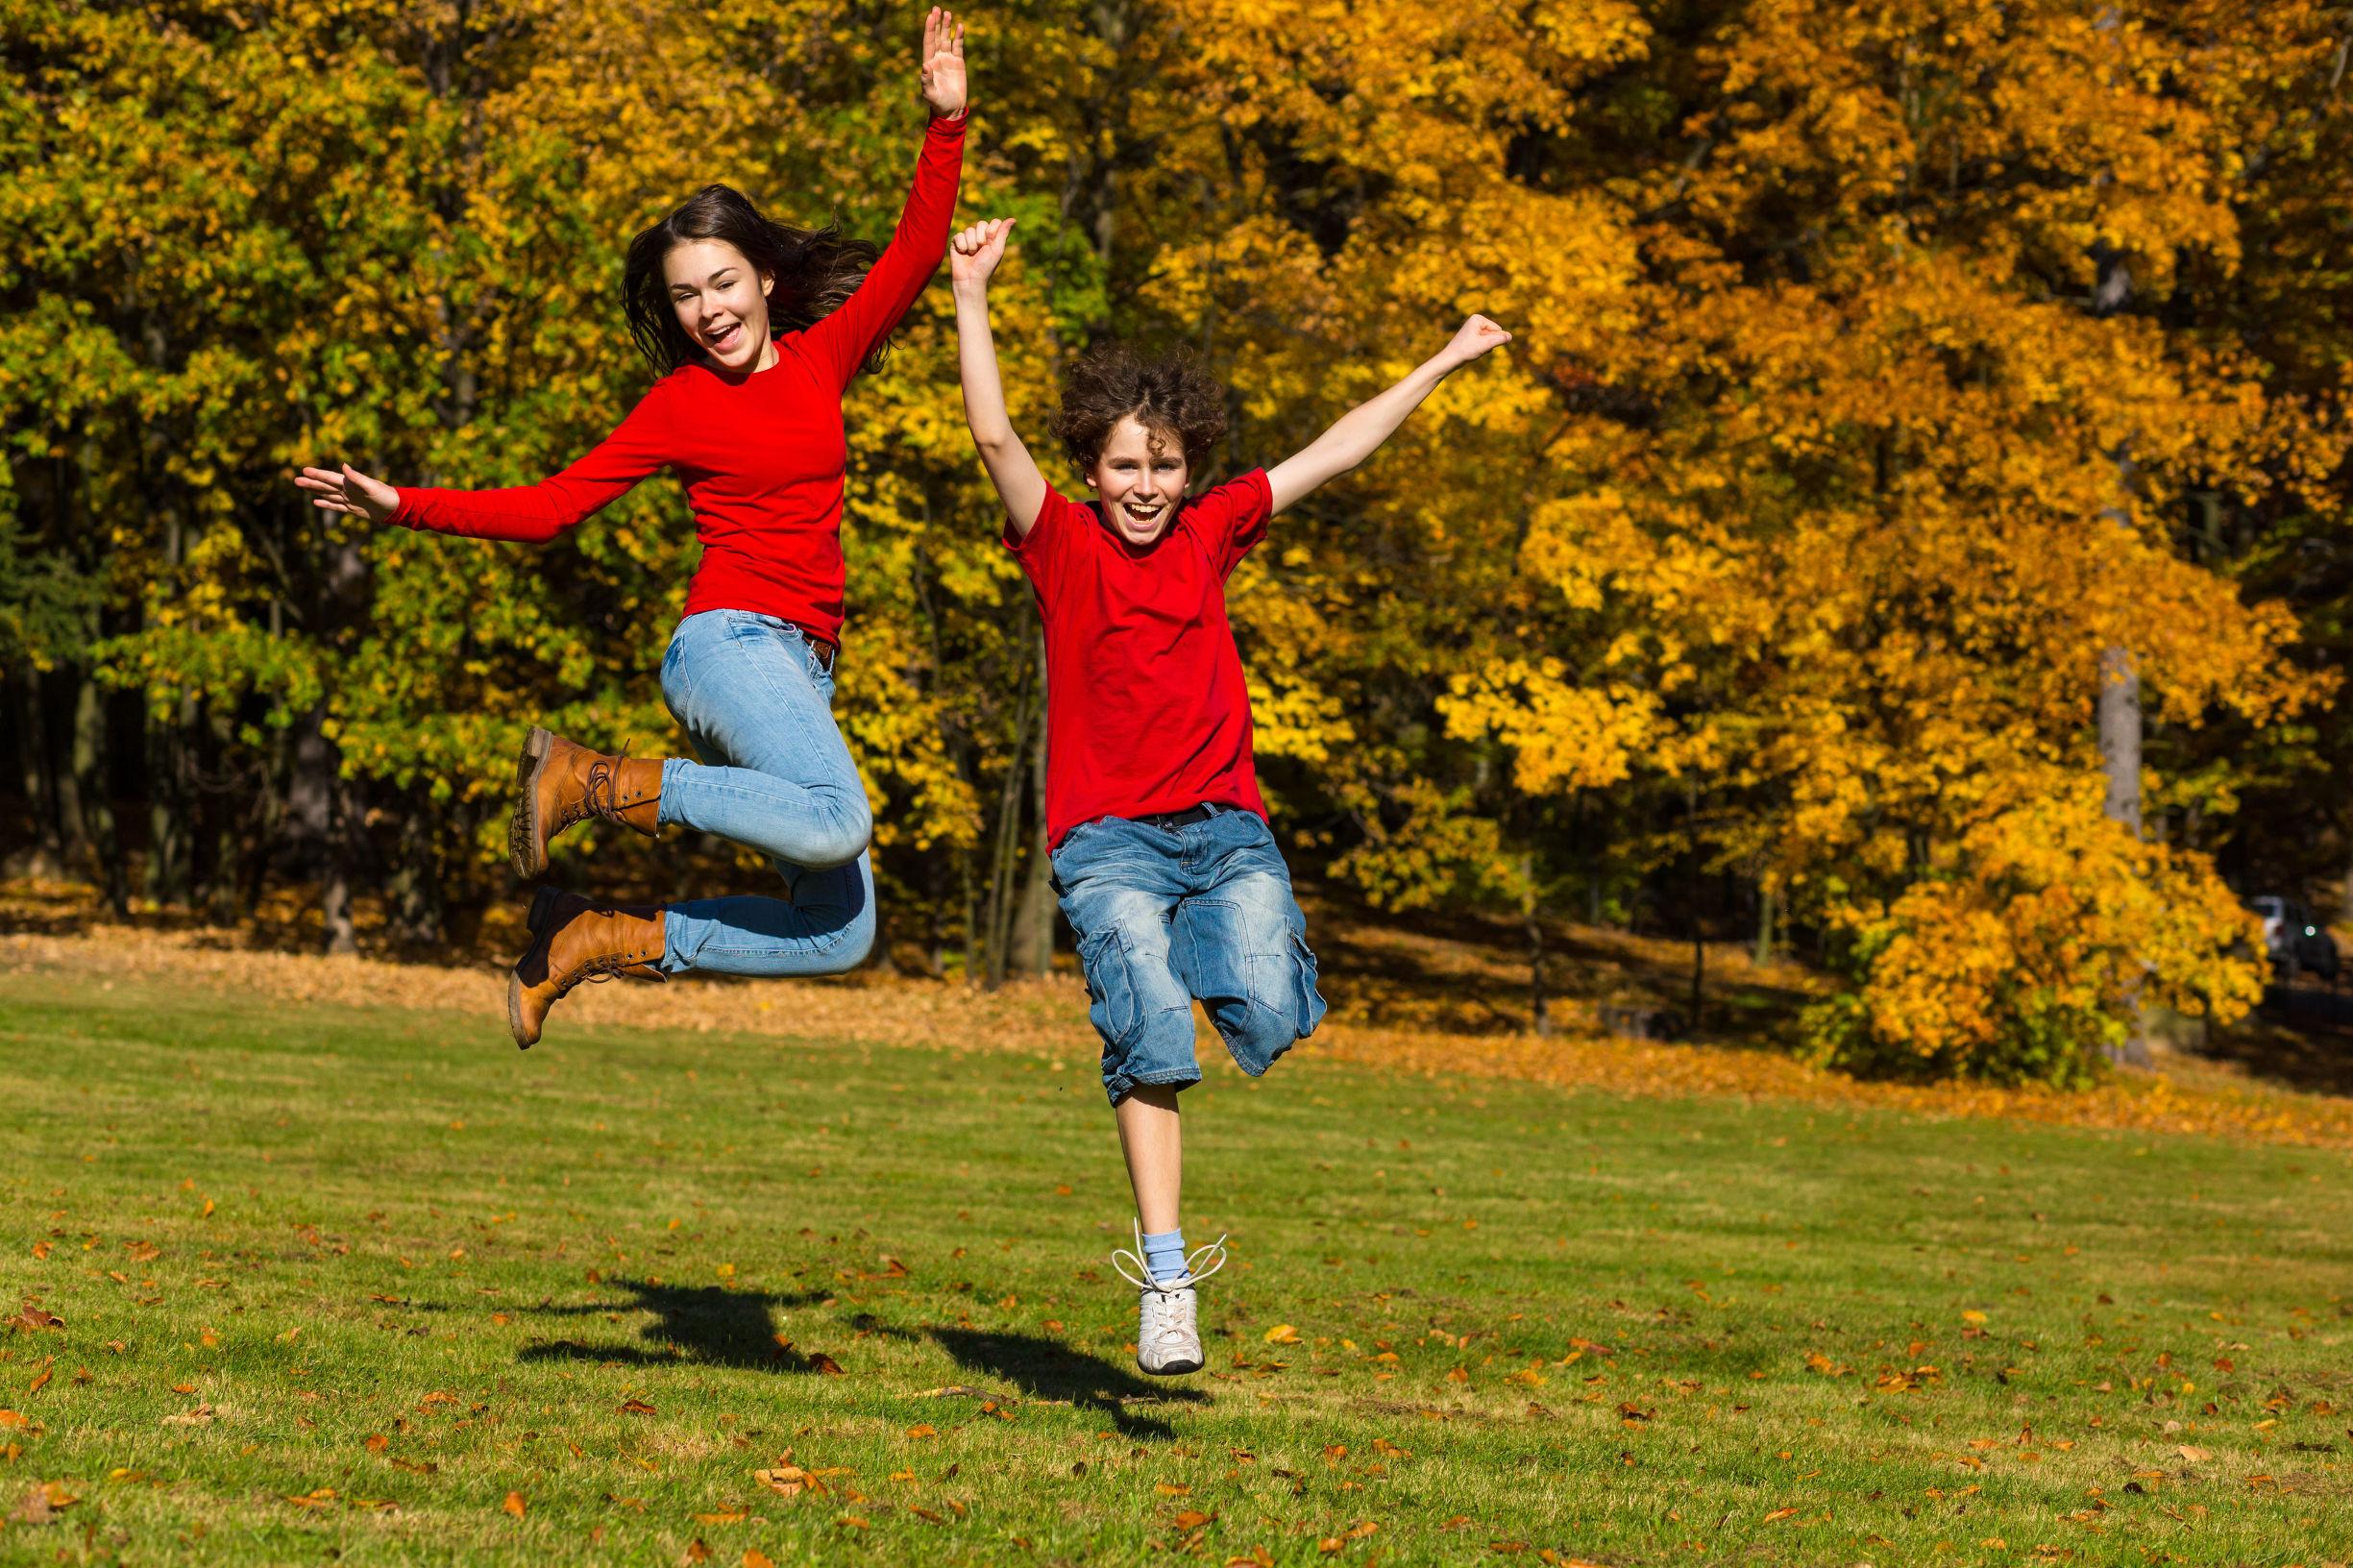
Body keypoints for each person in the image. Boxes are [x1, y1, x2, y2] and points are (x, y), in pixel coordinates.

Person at [293, 11, 971, 1047]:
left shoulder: (824, 356)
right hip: (728, 648)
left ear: (765, 281)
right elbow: (553, 507)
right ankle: (587, 778)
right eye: (684, 296)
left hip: (798, 666)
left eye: (722, 283)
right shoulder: (680, 404)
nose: (707, 309)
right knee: (841, 820)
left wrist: (946, 122)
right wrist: (407, 505)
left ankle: (590, 936)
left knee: (840, 929)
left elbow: (917, 250)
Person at [947, 214, 1511, 1374]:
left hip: (1223, 835)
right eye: (1123, 465)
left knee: (1268, 1008)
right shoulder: (1060, 543)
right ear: (1091, 470)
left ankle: (1181, 980)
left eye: (1163, 464)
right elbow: (993, 432)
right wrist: (969, 294)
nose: (1145, 486)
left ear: (1188, 466)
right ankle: (1165, 1282)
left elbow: (1337, 449)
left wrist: (1444, 362)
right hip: (1106, 842)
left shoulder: (1213, 532)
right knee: (1149, 1037)